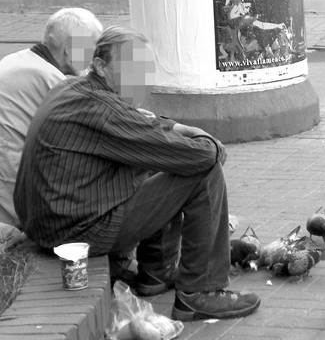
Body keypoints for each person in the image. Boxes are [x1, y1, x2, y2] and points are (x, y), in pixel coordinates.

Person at [14, 25, 261, 321]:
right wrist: (210, 145)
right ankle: (201, 293)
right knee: (201, 171)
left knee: (156, 156)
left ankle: (156, 274)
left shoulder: (72, 88)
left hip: (51, 224)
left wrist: (175, 127)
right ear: (100, 66)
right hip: (76, 231)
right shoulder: (104, 110)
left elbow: (142, 122)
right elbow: (202, 156)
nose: (142, 78)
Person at [0, 8, 103, 228]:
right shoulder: (51, 79)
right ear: (69, 50)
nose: (94, 59)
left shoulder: (17, 60)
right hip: (15, 207)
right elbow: (99, 124)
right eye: (92, 49)